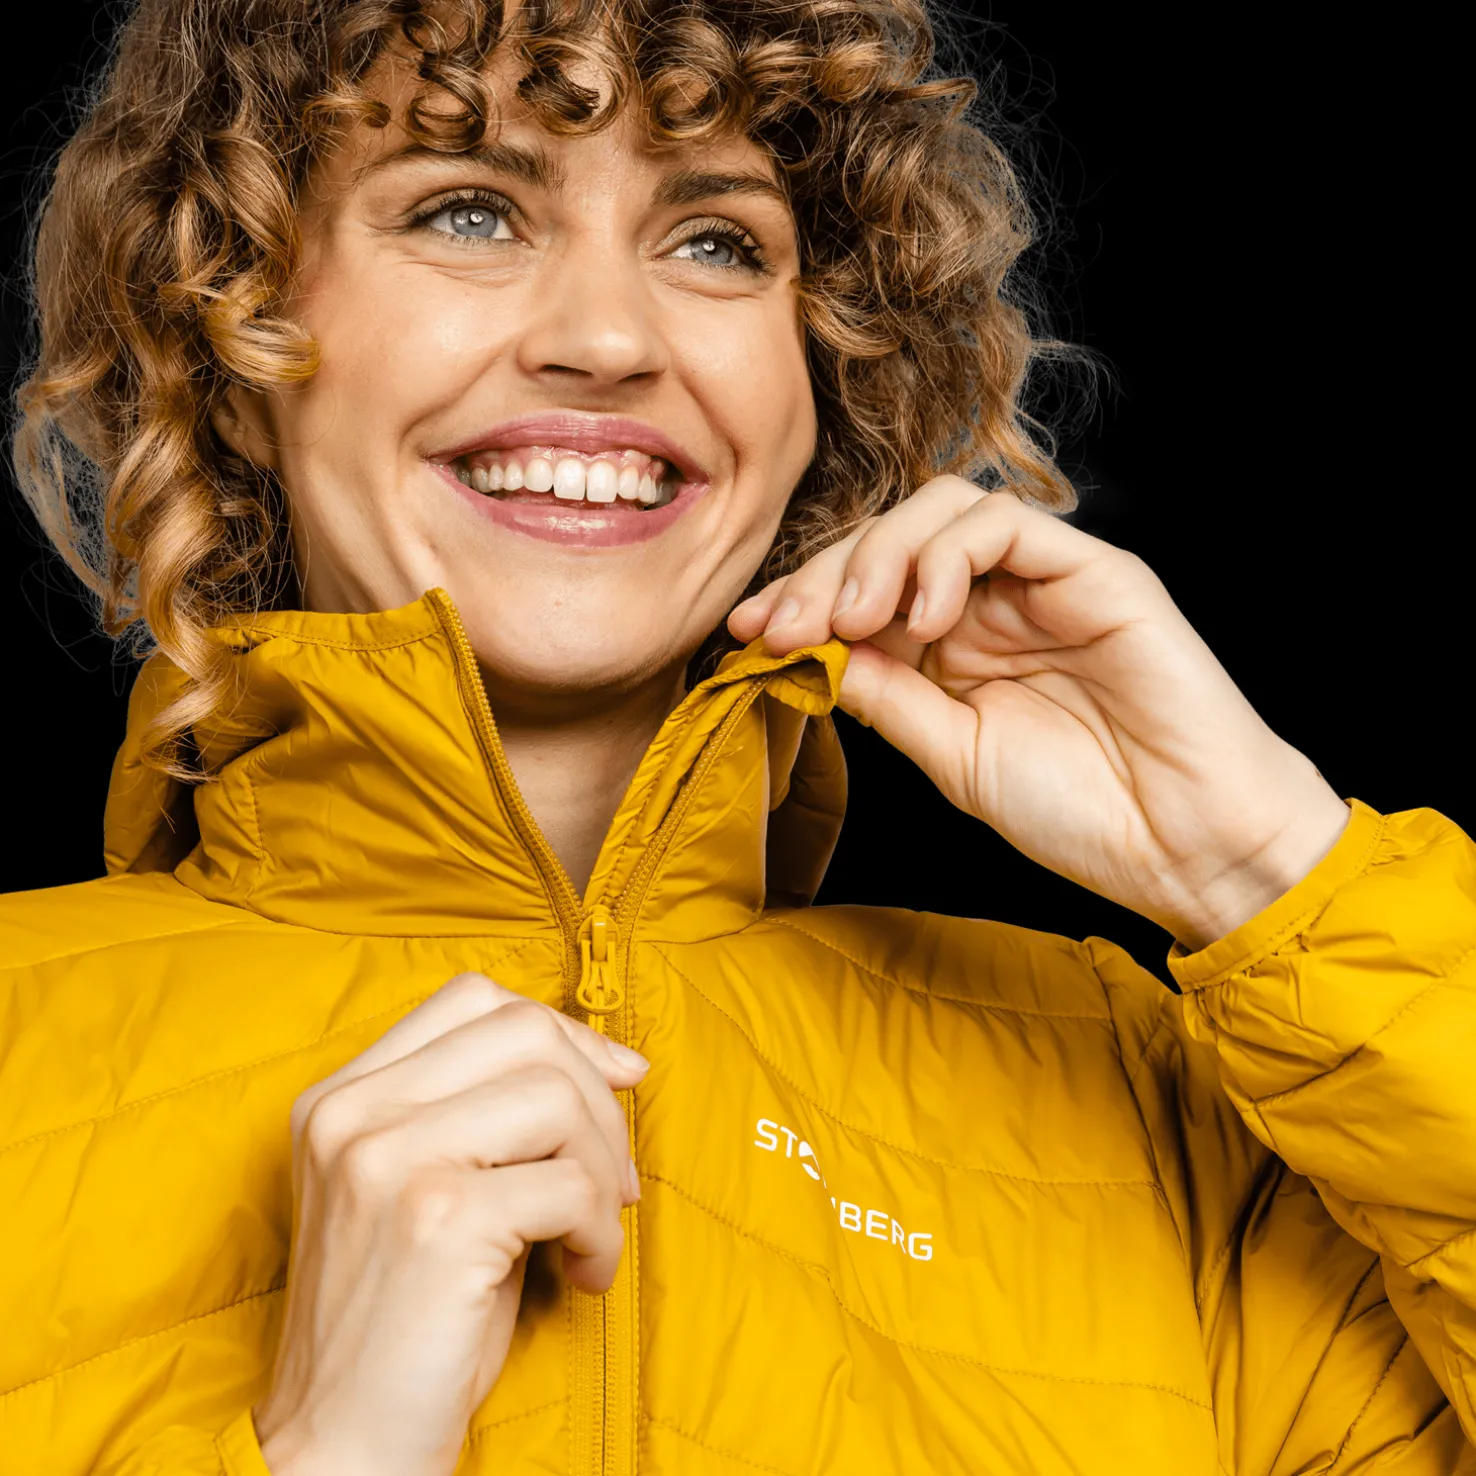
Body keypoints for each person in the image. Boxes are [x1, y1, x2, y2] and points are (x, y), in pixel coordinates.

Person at [2, 0, 1471, 1472]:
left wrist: (1272, 869)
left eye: (715, 242)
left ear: (823, 376)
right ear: (233, 350)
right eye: (469, 212)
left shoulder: (1154, 1110)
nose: (607, 340)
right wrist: (334, 1453)